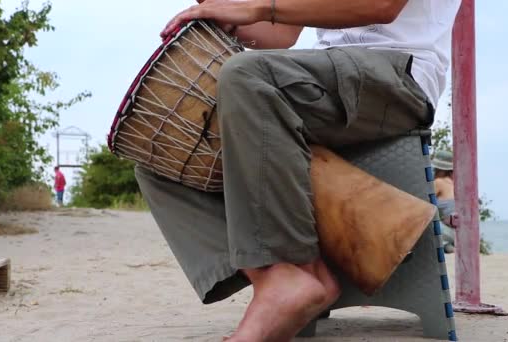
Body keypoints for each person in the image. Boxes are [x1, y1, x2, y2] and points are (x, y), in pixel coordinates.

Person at [137, 0, 462, 340]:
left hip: (400, 74)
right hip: (323, 74)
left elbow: (381, 6)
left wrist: (257, 8)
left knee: (245, 74)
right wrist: (219, 9)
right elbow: (281, 32)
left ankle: (292, 271)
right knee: (162, 149)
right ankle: (283, 279)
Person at [432, 150, 457, 253]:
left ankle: (445, 244)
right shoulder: (455, 183)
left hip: (447, 232)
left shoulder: (438, 182)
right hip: (461, 233)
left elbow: (424, 202)